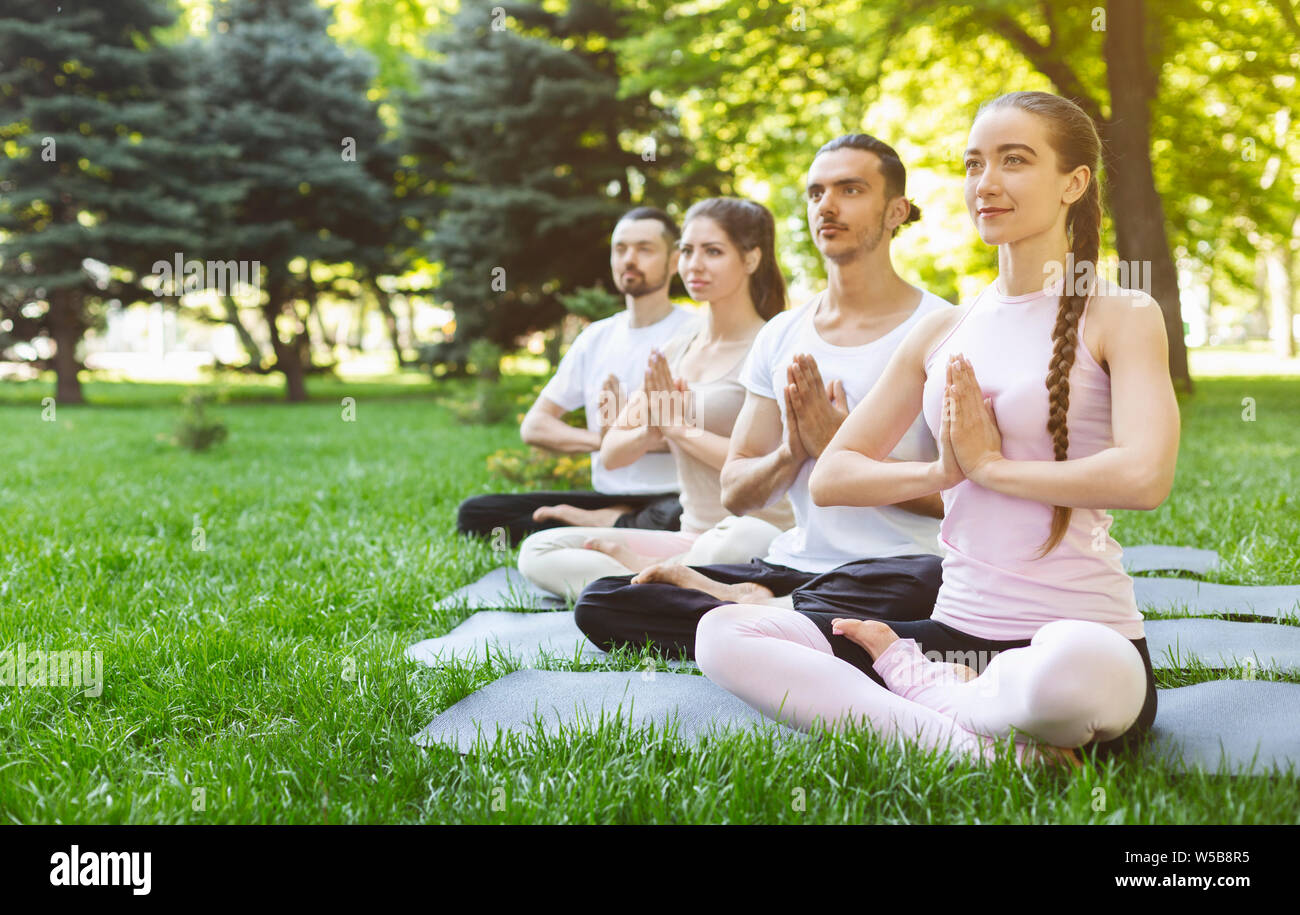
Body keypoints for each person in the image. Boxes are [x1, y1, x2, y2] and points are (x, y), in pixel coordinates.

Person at [694, 91, 1180, 769]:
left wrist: (992, 468)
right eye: (974, 163)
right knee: (722, 633)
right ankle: (983, 747)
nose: (987, 182)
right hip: (954, 632)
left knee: (1068, 674)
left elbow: (1145, 476)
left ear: (1074, 182)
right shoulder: (941, 329)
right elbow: (835, 473)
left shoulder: (1122, 313)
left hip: (1081, 637)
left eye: (1014, 161)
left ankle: (927, 698)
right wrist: (942, 472)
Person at [574, 134, 952, 656]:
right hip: (797, 564)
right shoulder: (782, 334)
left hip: (899, 567)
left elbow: (963, 497)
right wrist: (794, 451)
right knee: (603, 601)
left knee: (921, 586)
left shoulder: (944, 328)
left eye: (850, 189)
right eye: (817, 192)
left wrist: (838, 447)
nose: (828, 205)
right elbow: (737, 492)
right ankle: (775, 617)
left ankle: (755, 614)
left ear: (896, 211)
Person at [517, 198, 796, 599]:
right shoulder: (676, 348)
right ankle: (676, 586)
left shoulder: (773, 344)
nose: (694, 264)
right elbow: (612, 452)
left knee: (737, 537)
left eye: (713, 251)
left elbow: (773, 466)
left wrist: (677, 429)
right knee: (539, 550)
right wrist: (649, 431)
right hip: (693, 537)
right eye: (686, 250)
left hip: (759, 536)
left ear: (751, 259)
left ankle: (646, 585)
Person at [455, 207, 696, 547]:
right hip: (607, 494)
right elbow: (535, 426)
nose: (629, 259)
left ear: (674, 261)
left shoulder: (694, 333)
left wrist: (635, 436)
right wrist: (609, 440)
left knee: (678, 517)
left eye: (645, 249)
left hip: (674, 496)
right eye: (620, 248)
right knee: (477, 514)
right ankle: (611, 522)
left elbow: (702, 434)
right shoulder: (596, 337)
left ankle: (600, 527)